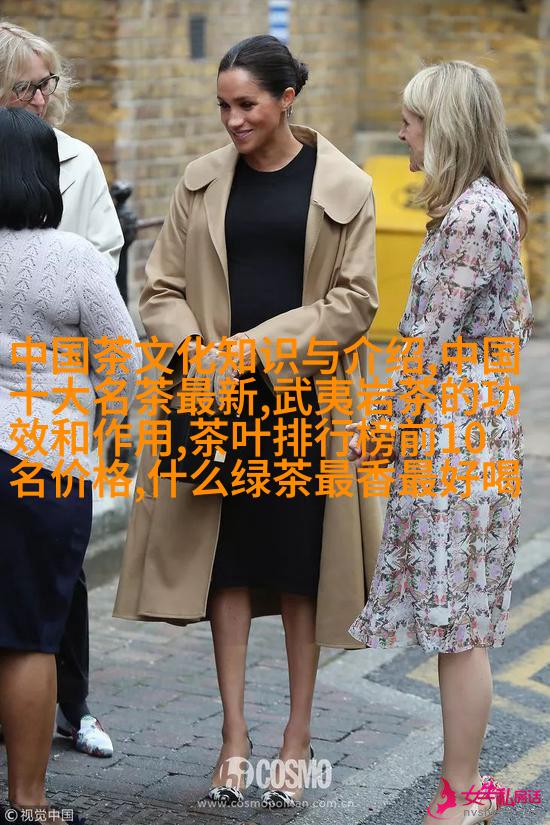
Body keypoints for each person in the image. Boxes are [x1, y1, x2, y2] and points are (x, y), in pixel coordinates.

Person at [114, 34, 382, 807]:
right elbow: (159, 289)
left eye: (247, 104)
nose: (233, 119)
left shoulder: (347, 186)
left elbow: (355, 302)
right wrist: (200, 355)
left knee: (299, 574)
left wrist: (253, 352)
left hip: (302, 406)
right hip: (213, 403)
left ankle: (296, 738)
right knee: (225, 568)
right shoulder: (200, 181)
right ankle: (234, 738)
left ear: (286, 99)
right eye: (223, 106)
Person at [348, 61, 533, 825]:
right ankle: (463, 789)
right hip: (469, 432)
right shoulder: (484, 208)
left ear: (446, 126)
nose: (402, 133)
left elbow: (425, 342)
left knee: (460, 628)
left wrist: (378, 430)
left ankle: (462, 794)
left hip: (458, 443)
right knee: (460, 624)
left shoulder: (471, 218)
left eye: (412, 119)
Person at [0, 108, 140, 822]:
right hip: (45, 463)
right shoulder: (75, 257)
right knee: (30, 636)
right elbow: (124, 365)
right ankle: (29, 804)